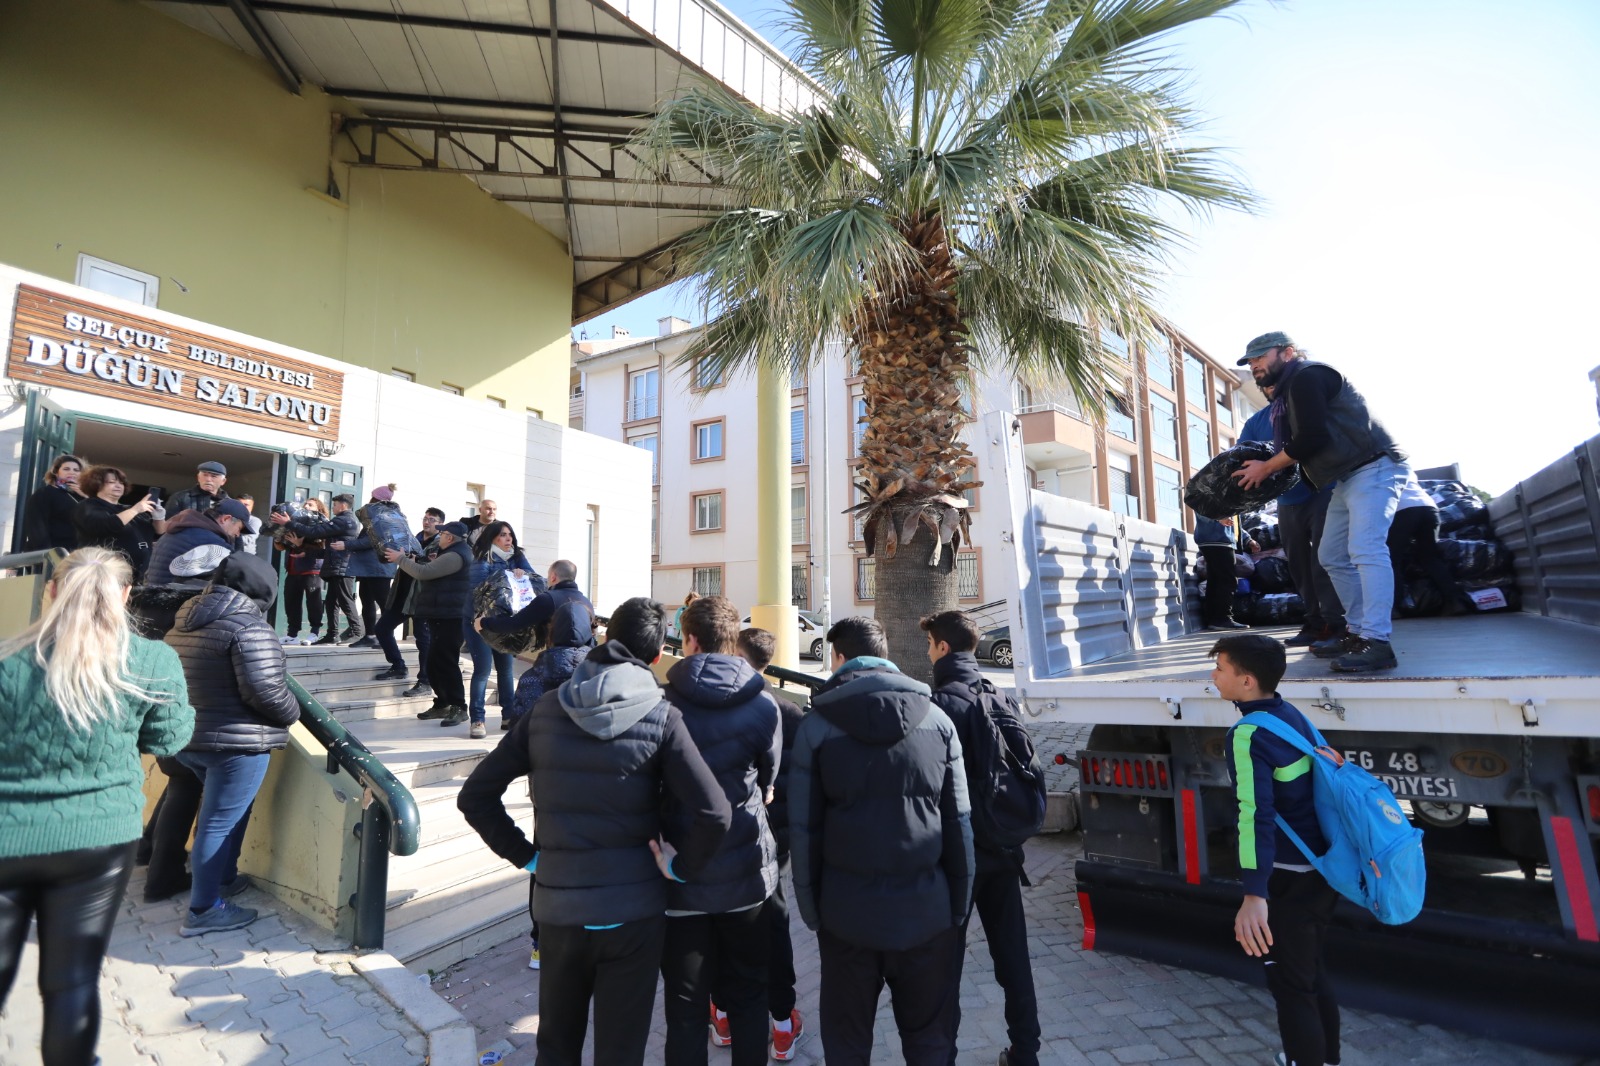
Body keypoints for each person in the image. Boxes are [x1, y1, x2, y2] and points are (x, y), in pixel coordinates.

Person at [455, 596, 733, 1066]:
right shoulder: (662, 716)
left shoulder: (546, 710)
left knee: (556, 1047)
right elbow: (715, 814)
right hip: (634, 913)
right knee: (620, 1052)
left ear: (603, 638)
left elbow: (475, 797)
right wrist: (679, 868)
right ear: (657, 657)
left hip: (559, 910)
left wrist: (529, 858)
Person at [0, 548, 195, 1065]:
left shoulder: (7, 659)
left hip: (7, 834)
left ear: (52, 590)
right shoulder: (151, 660)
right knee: (72, 981)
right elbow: (169, 739)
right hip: (99, 837)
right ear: (126, 595)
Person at [790, 616, 973, 1066]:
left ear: (839, 657)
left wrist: (813, 912)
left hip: (846, 919)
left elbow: (803, 831)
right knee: (930, 1041)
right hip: (926, 914)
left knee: (847, 1043)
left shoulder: (817, 727)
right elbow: (959, 825)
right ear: (884, 655)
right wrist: (957, 907)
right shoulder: (938, 721)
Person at [1233, 332, 1409, 673]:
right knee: (1331, 555)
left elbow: (1312, 438)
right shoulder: (1285, 395)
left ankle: (1377, 641)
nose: (1254, 365)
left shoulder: (1307, 376)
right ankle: (1356, 632)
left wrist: (1266, 468)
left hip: (1373, 466)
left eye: (1260, 357)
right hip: (1345, 476)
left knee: (1366, 549)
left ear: (1287, 353)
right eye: (1250, 361)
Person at [658, 596, 782, 1066]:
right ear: (733, 639)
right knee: (749, 993)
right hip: (745, 874)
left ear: (688, 639)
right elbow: (769, 778)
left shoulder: (662, 702)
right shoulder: (764, 703)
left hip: (680, 874)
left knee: (684, 1006)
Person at [1211, 633, 1339, 1066]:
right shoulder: (1288, 714)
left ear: (1246, 681)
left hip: (1288, 874)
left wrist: (1254, 893)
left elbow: (1254, 814)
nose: (1214, 675)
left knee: (1291, 983)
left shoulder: (1248, 734)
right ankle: (1327, 1058)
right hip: (1321, 866)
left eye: (1221, 668)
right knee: (1310, 970)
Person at [920, 611, 1041, 1066]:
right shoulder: (999, 696)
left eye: (930, 645)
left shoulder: (939, 705)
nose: (929, 652)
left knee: (944, 966)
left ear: (943, 648)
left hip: (959, 857)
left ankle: (942, 1056)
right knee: (1014, 958)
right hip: (1005, 848)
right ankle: (1026, 1053)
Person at [165, 552, 299, 936]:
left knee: (223, 816)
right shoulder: (250, 627)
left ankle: (223, 879)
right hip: (235, 745)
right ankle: (204, 909)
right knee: (219, 823)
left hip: (190, 738)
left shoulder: (185, 620)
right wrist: (293, 712)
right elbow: (267, 691)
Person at [714, 626, 806, 1060]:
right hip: (769, 843)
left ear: (736, 653)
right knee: (773, 926)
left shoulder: (712, 705)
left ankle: (722, 1013)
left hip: (720, 841)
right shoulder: (788, 711)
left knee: (718, 925)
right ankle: (782, 1024)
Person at [1240, 391, 1345, 647]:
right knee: (1299, 566)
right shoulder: (1256, 422)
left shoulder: (1307, 407)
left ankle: (1336, 625)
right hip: (1287, 501)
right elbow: (1243, 457)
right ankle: (1314, 623)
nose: (1269, 387)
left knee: (1325, 561)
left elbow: (1319, 440)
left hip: (1324, 492)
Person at [477, 559, 594, 730]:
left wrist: (484, 623)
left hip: (556, 663)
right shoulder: (586, 602)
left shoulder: (547, 599)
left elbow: (514, 624)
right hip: (585, 664)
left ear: (553, 577)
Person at [385, 521, 472, 727]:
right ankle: (442, 703)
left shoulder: (455, 555)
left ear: (449, 537)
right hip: (441, 614)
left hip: (451, 617)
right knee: (434, 663)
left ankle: (459, 707)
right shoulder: (451, 553)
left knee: (447, 662)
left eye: (442, 534)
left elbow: (423, 573)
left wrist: (400, 559)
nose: (439, 537)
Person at [458, 521, 535, 740]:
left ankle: (509, 716)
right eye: (502, 535)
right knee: (482, 670)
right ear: (492, 538)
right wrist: (507, 576)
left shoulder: (516, 556)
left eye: (510, 534)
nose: (508, 538)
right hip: (478, 622)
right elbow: (477, 592)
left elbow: (532, 579)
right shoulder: (483, 559)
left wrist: (522, 573)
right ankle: (477, 720)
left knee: (506, 670)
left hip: (504, 624)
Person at [271, 493, 362, 644]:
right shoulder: (339, 520)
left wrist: (289, 524)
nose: (333, 507)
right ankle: (330, 634)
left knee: (342, 600)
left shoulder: (341, 520)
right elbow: (328, 550)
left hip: (336, 567)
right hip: (330, 567)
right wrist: (298, 546)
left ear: (343, 505)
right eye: (305, 504)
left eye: (335, 504)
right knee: (330, 602)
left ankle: (355, 632)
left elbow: (315, 534)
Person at [376, 507, 445, 700]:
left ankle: (425, 681)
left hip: (423, 597)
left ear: (440, 524)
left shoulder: (440, 544)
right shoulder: (413, 539)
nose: (427, 521)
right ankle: (398, 665)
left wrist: (415, 561)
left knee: (424, 641)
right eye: (425, 518)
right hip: (404, 594)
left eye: (432, 519)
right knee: (382, 628)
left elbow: (433, 568)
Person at [1388, 472, 1469, 616]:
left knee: (1392, 560)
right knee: (1430, 557)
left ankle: (1393, 608)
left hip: (1403, 510)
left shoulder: (1375, 469)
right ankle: (1456, 601)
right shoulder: (1404, 468)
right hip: (1429, 508)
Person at [72, 465, 166, 581]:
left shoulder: (128, 509)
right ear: (96, 484)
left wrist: (159, 517)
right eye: (111, 482)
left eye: (121, 483)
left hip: (139, 574)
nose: (118, 486)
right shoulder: (88, 505)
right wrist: (135, 510)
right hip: (104, 572)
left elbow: (159, 532)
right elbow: (105, 525)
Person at [345, 486, 400, 649]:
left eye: (372, 497)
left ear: (378, 500)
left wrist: (347, 545)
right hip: (370, 567)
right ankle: (370, 636)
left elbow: (372, 540)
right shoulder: (379, 515)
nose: (369, 500)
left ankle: (387, 637)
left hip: (379, 567)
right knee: (367, 600)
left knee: (383, 603)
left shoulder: (384, 517)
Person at [146, 499, 248, 587]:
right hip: (173, 600)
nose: (238, 534)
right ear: (226, 519)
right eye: (239, 528)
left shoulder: (180, 528)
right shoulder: (214, 543)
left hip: (152, 595)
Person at [278, 499, 328, 645]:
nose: (306, 506)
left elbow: (322, 547)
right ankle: (292, 634)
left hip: (311, 568)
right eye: (305, 504)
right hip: (292, 569)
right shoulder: (294, 522)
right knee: (291, 601)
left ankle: (314, 632)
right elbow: (281, 547)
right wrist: (278, 538)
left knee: (313, 601)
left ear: (319, 509)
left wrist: (300, 544)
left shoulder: (320, 525)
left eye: (310, 504)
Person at [1195, 515, 1251, 630]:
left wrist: (1247, 539)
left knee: (1217, 580)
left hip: (1221, 540)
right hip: (1216, 540)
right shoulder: (1212, 501)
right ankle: (1222, 619)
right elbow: (1200, 508)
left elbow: (1233, 519)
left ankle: (1216, 619)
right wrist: (1218, 518)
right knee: (1227, 580)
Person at [21, 454, 85, 552]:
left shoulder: (85, 496)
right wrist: (48, 554)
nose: (72, 472)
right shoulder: (45, 493)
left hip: (79, 553)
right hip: (53, 552)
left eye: (76, 470)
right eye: (66, 469)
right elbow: (37, 528)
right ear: (56, 472)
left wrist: (86, 496)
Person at [165, 460, 231, 519]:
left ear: (223, 481)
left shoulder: (230, 503)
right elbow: (168, 524)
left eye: (213, 476)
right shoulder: (179, 497)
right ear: (198, 477)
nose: (208, 479)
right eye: (205, 475)